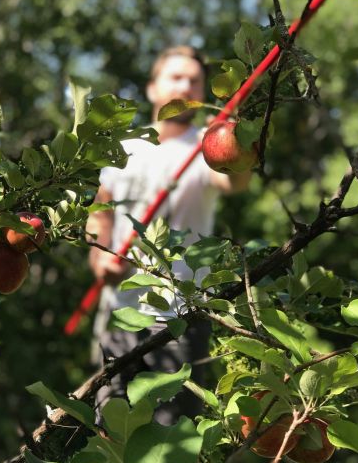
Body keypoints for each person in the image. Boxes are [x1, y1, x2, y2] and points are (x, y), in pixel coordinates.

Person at [86, 45, 251, 429]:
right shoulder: (125, 148)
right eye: (176, 77)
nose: (187, 85)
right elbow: (100, 214)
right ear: (152, 88)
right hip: (119, 309)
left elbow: (235, 178)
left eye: (195, 79)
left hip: (181, 313)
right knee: (110, 427)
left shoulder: (209, 147)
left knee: (175, 434)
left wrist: (241, 135)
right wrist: (100, 259)